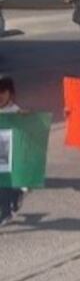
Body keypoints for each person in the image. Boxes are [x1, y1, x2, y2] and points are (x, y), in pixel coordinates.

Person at [0, 75, 25, 226]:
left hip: (9, 155)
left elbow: (28, 129)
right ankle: (17, 193)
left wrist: (26, 118)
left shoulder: (15, 111)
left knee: (3, 185)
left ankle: (5, 212)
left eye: (2, 91)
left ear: (10, 93)